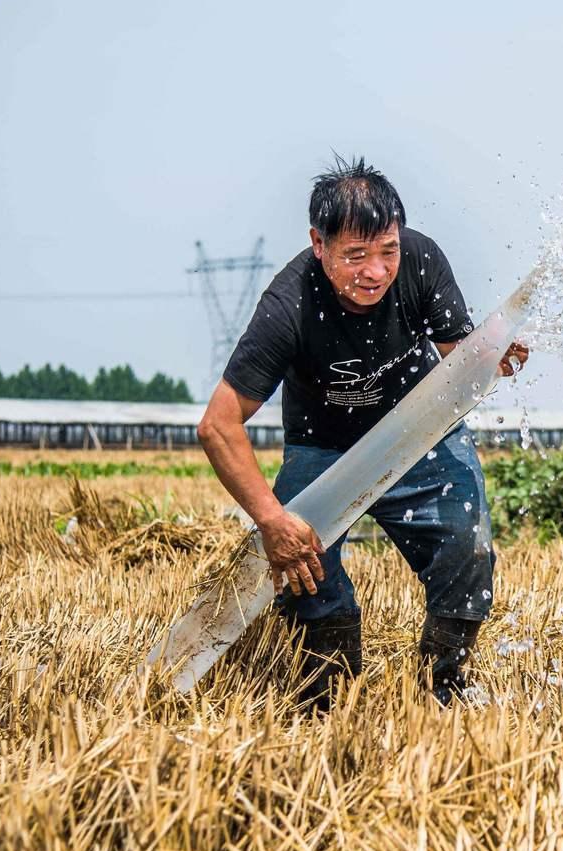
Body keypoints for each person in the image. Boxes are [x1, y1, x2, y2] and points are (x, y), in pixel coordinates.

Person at [196, 156, 528, 709]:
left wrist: (491, 359)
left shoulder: (422, 262)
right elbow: (218, 425)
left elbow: (459, 359)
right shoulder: (288, 305)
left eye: (387, 251)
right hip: (322, 446)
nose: (375, 272)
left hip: (417, 433)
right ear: (318, 244)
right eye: (355, 255)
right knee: (305, 574)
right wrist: (273, 521)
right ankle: (330, 698)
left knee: (468, 548)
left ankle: (442, 688)